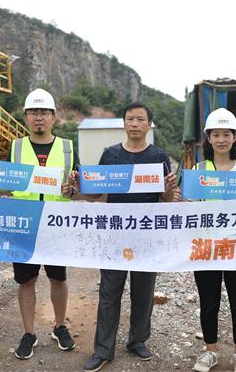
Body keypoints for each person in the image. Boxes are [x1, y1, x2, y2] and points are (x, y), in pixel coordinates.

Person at [81, 102, 176, 372]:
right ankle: (103, 349)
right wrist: (82, 184)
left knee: (143, 292)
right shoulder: (110, 155)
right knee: (109, 292)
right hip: (114, 234)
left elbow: (166, 198)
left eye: (140, 119)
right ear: (124, 123)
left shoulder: (159, 156)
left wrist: (169, 188)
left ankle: (137, 341)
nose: (134, 124)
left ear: (149, 124)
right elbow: (96, 194)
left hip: (146, 234)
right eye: (130, 119)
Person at [174, 108, 236, 372]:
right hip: (206, 250)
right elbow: (188, 211)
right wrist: (180, 201)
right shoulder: (197, 171)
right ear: (208, 138)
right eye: (216, 134)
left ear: (235, 137)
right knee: (209, 303)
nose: (221, 139)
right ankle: (211, 352)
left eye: (226, 134)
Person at [9, 88, 79, 360]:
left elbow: (78, 188)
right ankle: (29, 333)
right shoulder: (15, 147)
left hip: (56, 224)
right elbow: (4, 182)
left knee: (58, 278)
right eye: (34, 113)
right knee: (26, 281)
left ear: (53, 117)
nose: (39, 117)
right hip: (24, 224)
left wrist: (72, 190)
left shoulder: (67, 147)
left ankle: (60, 326)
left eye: (44, 112)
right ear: (26, 117)